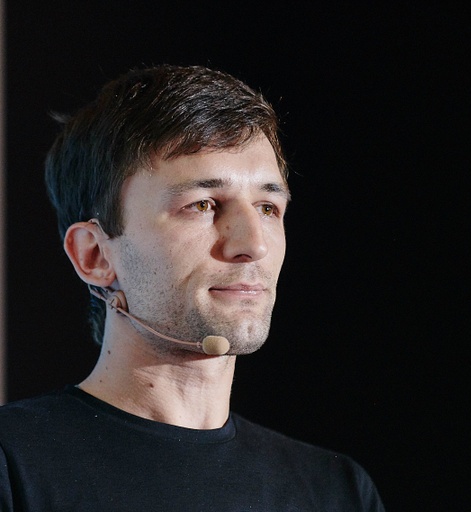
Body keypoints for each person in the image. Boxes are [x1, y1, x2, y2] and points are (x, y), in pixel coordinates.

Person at [0, 64, 385, 511]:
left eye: (267, 206)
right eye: (202, 204)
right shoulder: (13, 463)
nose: (254, 244)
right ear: (95, 255)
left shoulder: (337, 491)